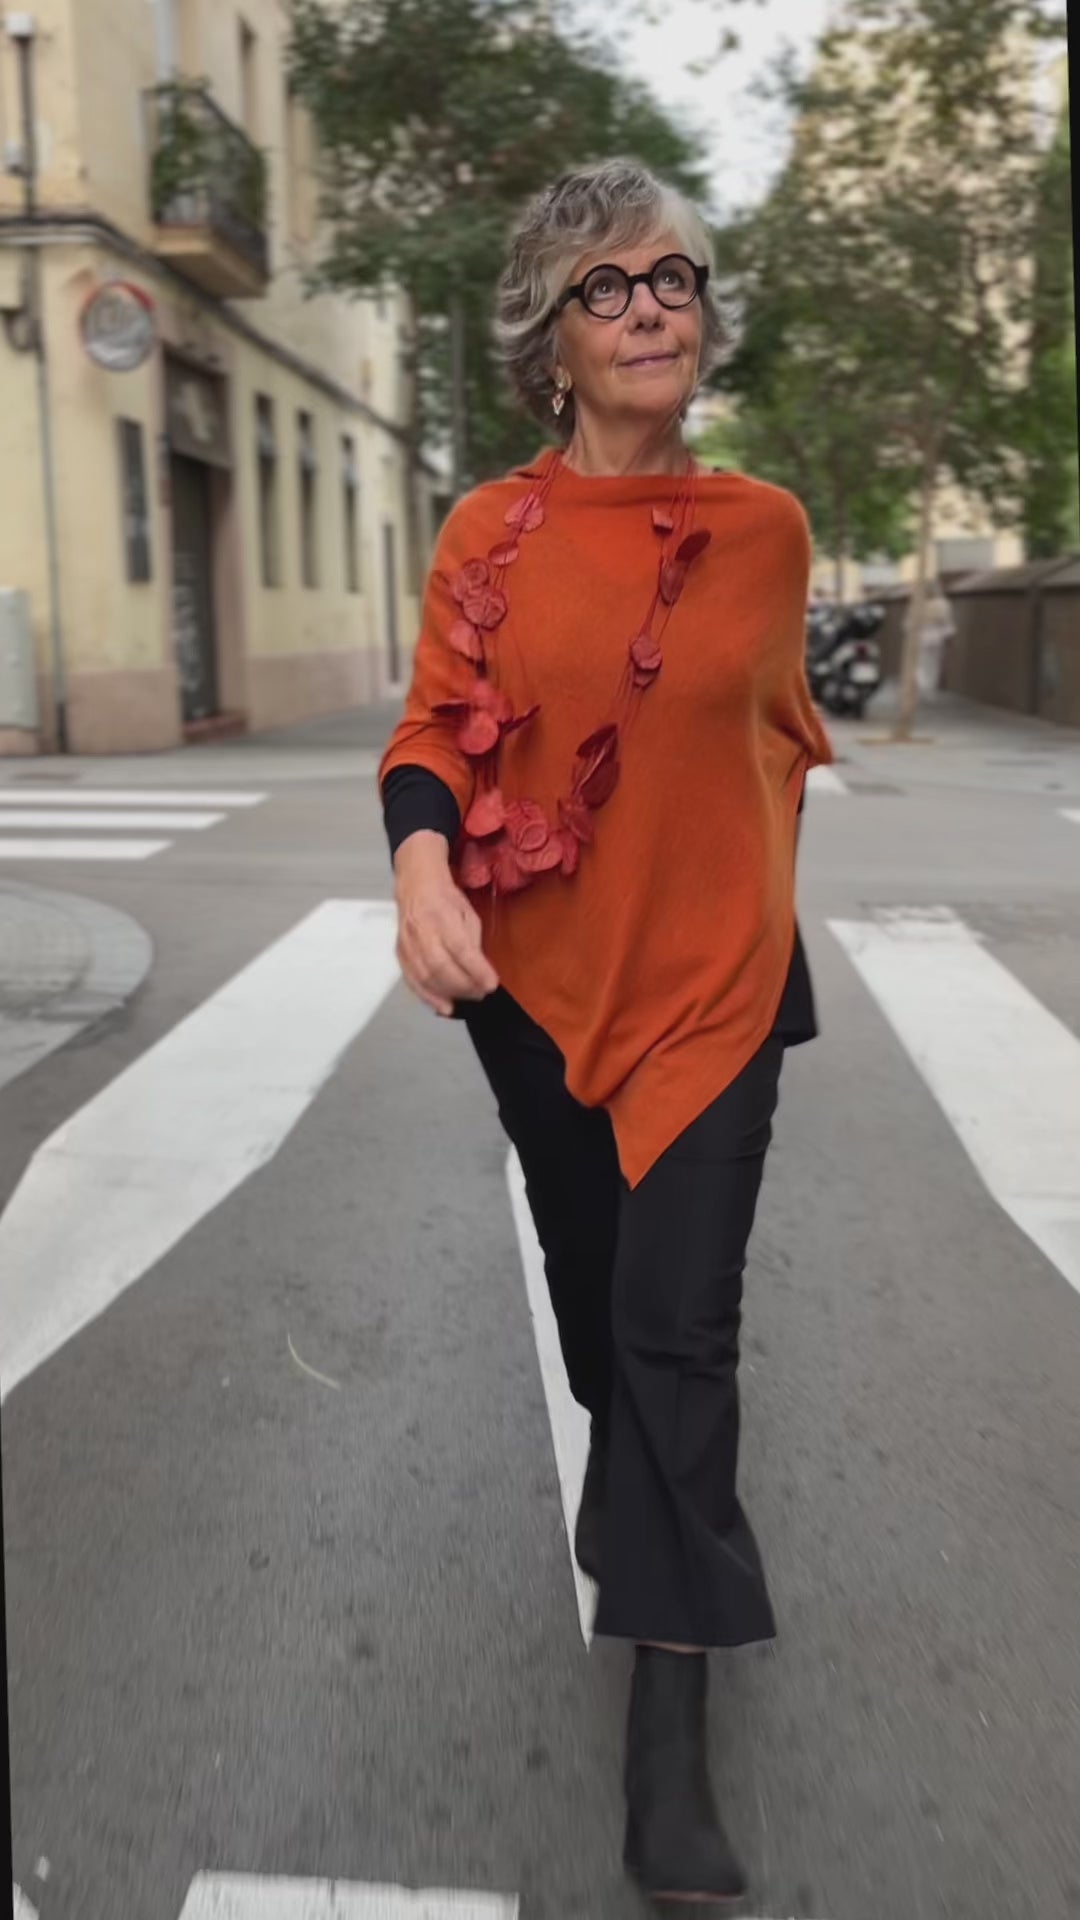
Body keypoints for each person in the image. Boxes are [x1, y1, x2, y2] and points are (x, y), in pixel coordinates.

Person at [379, 158, 833, 1905]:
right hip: (541, 1001)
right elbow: (437, 728)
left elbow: (771, 753)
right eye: (607, 287)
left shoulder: (768, 532)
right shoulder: (486, 535)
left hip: (716, 994)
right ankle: (635, 1487)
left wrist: (735, 908)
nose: (651, 308)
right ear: (551, 341)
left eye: (674, 278)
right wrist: (423, 862)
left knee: (676, 1333)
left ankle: (669, 1732)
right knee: (597, 1315)